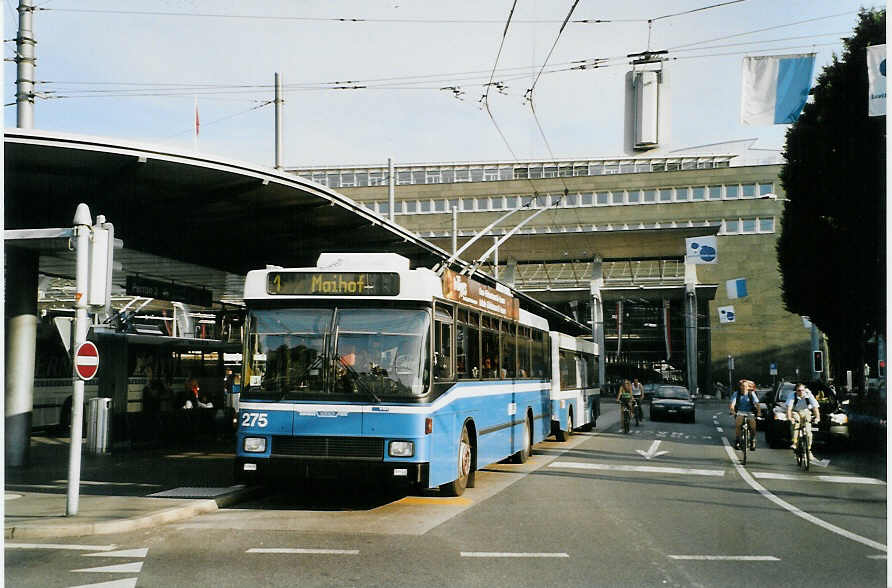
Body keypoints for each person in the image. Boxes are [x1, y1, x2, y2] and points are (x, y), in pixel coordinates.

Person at [786, 383, 820, 462]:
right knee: (796, 423)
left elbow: (815, 407)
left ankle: (808, 450)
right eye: (799, 390)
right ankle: (795, 443)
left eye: (802, 390)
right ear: (796, 391)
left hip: (805, 411)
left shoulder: (809, 395)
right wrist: (790, 418)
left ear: (805, 390)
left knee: (808, 432)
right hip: (795, 411)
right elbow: (789, 408)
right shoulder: (792, 395)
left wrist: (817, 417)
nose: (801, 392)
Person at [729, 379, 761, 450]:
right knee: (738, 423)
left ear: (748, 387)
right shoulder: (736, 394)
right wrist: (732, 411)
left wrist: (759, 412)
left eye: (746, 386)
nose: (744, 388)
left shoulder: (751, 394)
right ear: (740, 387)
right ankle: (737, 440)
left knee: (753, 424)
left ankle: (752, 440)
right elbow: (732, 405)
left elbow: (757, 404)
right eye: (743, 386)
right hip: (740, 411)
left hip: (750, 412)